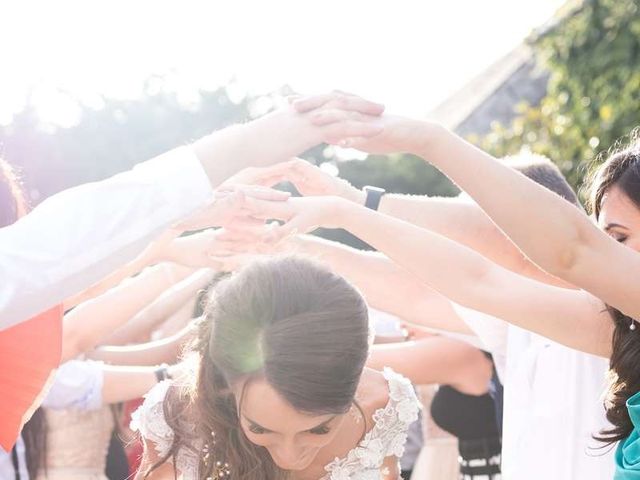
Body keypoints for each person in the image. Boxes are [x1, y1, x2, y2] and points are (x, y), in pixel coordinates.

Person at [132, 255, 420, 480]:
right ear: (227, 384)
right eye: (259, 428)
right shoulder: (178, 418)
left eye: (318, 429)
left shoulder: (384, 406)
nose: (289, 458)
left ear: (353, 382)